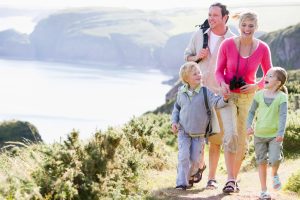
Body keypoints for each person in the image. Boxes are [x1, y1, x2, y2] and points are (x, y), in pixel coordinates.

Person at [215, 10, 272, 194]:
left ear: (256, 27)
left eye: (251, 26)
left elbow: (269, 74)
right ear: (239, 25)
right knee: (230, 135)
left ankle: (234, 178)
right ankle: (230, 179)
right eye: (244, 25)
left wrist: (256, 86)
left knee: (242, 140)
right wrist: (222, 84)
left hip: (249, 98)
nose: (247, 29)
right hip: (228, 96)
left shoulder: (263, 48)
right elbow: (218, 71)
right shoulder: (227, 44)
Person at [184, 2, 235, 189]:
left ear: (225, 18)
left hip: (219, 96)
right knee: (196, 136)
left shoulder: (232, 40)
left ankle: (211, 178)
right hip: (198, 93)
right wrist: (198, 56)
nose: (211, 18)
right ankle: (199, 165)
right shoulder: (199, 35)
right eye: (209, 14)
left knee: (215, 139)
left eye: (215, 15)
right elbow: (187, 57)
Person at [171, 62, 228, 190]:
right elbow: (177, 108)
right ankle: (182, 182)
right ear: (186, 78)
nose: (198, 75)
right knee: (183, 156)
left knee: (195, 159)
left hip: (199, 134)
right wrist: (174, 122)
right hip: (183, 132)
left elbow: (216, 102)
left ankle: (196, 171)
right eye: (194, 73)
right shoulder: (181, 92)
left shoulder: (205, 92)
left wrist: (224, 99)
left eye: (199, 72)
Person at [247, 67, 288, 200]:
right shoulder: (258, 94)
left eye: (271, 76)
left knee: (275, 158)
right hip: (259, 135)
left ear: (278, 82)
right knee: (261, 161)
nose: (266, 77)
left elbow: (283, 116)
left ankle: (274, 174)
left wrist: (281, 133)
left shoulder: (282, 97)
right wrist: (249, 126)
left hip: (275, 135)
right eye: (267, 75)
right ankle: (264, 191)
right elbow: (251, 111)